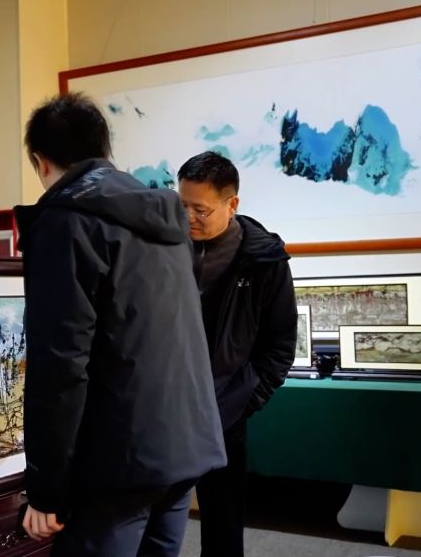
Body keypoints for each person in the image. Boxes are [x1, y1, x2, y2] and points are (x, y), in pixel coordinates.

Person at [16, 92, 226, 557]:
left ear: (41, 161)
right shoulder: (163, 213)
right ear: (104, 149)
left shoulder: (67, 221)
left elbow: (60, 363)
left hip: (118, 459)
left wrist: (46, 487)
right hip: (184, 443)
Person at [177, 151, 297, 557]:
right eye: (181, 205)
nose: (188, 218)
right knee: (156, 519)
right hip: (165, 407)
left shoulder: (264, 259)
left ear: (232, 204)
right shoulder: (164, 249)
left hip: (225, 409)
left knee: (223, 524)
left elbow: (280, 343)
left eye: (200, 210)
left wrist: (247, 398)